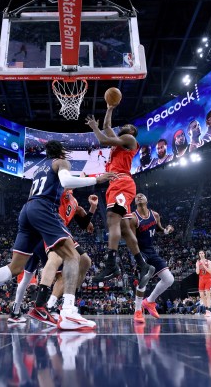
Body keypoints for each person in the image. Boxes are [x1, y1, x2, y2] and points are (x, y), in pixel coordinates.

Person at [0, 140, 115, 330]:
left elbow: (56, 193)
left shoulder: (39, 169)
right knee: (73, 256)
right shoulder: (61, 162)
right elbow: (66, 181)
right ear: (61, 153)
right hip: (44, 209)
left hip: (28, 210)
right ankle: (68, 311)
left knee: (15, 267)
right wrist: (98, 179)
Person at [85, 107, 156, 287]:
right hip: (118, 185)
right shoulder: (120, 141)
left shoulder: (129, 139)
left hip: (121, 183)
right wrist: (109, 108)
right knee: (124, 228)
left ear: (132, 132)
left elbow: (102, 138)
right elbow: (108, 126)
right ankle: (143, 265)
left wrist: (94, 127)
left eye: (128, 125)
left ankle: (111, 264)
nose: (124, 126)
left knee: (112, 218)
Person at [10, 191, 97, 325]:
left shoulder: (75, 203)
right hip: (50, 228)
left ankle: (57, 304)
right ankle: (45, 305)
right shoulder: (61, 190)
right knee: (56, 264)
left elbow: (84, 223)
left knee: (85, 261)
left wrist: (92, 208)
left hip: (61, 232)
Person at [129, 193, 174, 324]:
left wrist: (166, 230)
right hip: (140, 251)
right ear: (135, 202)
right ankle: (138, 311)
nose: (139, 196)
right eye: (137, 196)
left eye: (142, 195)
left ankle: (149, 301)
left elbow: (159, 229)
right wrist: (137, 258)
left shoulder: (155, 215)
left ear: (147, 200)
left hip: (151, 251)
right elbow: (131, 240)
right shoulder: (133, 218)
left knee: (169, 279)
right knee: (144, 277)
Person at [196, 250, 211, 317]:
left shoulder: (208, 261)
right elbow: (197, 272)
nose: (201, 254)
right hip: (201, 280)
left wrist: (204, 265)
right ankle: (206, 310)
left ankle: (209, 310)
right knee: (202, 296)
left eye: (202, 253)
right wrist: (197, 266)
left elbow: (210, 271)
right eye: (200, 253)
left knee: (208, 295)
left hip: (208, 279)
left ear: (204, 254)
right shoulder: (197, 262)